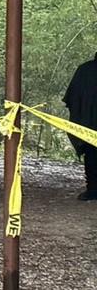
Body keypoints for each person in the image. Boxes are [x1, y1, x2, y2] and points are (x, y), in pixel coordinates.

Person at [65, 50, 97, 200]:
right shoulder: (84, 70)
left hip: (88, 124)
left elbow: (71, 98)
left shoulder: (84, 70)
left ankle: (92, 190)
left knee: (91, 157)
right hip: (88, 123)